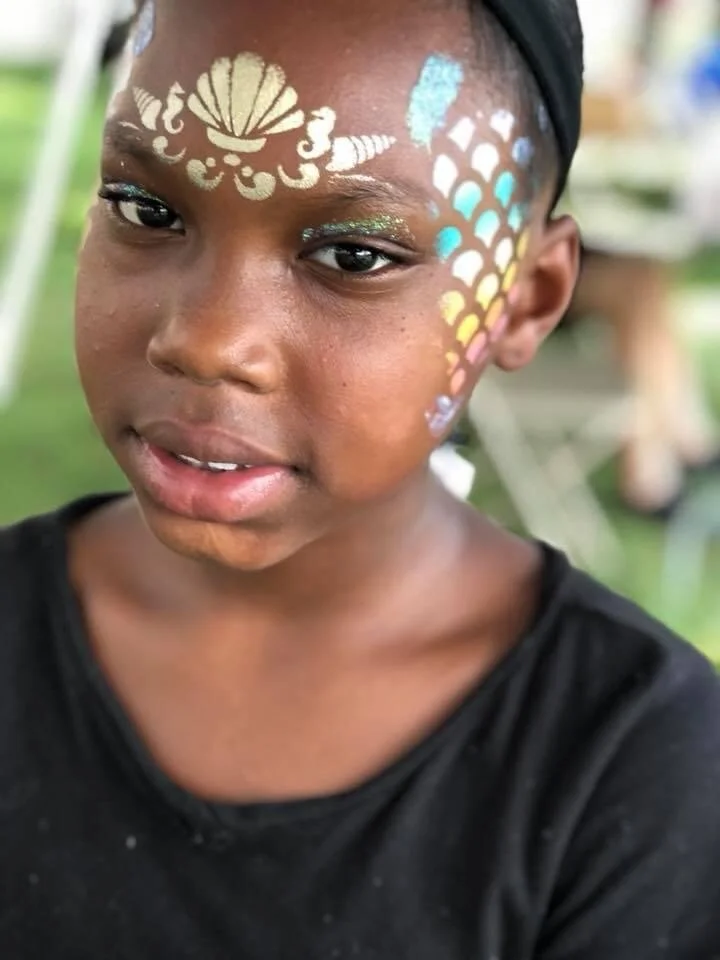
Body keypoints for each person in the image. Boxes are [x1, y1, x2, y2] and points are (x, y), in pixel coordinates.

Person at [2, 1, 720, 956]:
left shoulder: (639, 765)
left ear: (525, 301)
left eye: (353, 255)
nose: (209, 342)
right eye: (148, 209)